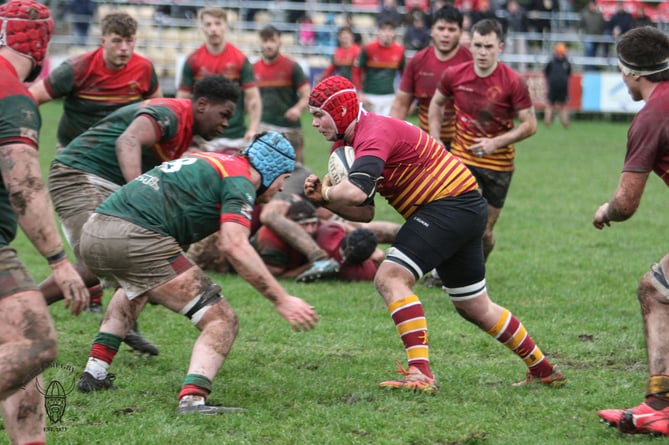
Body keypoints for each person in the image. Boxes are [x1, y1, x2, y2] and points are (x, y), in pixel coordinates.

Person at [304, 75, 564, 393]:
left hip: (447, 206)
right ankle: (543, 369)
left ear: (341, 110)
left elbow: (356, 193)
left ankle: (420, 373)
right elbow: (365, 211)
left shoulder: (373, 132)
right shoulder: (346, 145)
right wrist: (323, 199)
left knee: (390, 278)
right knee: (474, 305)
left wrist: (327, 197)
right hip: (464, 207)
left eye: (319, 114)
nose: (314, 122)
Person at [75, 132, 318, 415]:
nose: (280, 188)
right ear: (271, 169)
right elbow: (235, 244)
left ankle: (94, 373)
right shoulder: (240, 180)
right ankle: (193, 400)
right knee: (222, 319)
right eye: (283, 179)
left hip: (95, 230)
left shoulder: (213, 160)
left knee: (135, 287)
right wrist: (282, 299)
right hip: (134, 236)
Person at [45, 75, 240, 356]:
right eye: (224, 115)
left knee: (126, 253)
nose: (226, 123)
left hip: (106, 183)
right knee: (98, 257)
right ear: (202, 104)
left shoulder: (185, 131)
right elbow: (128, 140)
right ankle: (19, 308)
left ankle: (120, 325)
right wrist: (137, 193)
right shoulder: (171, 112)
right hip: (80, 174)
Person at [30, 11, 162, 313]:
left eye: (129, 41)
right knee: (90, 233)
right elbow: (32, 97)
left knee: (113, 230)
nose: (124, 48)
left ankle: (107, 297)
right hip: (75, 160)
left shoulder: (144, 69)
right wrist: (24, 136)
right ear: (103, 41)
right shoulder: (76, 68)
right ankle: (88, 297)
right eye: (117, 41)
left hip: (116, 161)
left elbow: (156, 110)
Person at [0, 1, 88, 444]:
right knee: (38, 345)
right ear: (39, 44)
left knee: (20, 336)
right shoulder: (11, 94)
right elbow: (25, 186)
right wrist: (58, 260)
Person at [594, 26, 669, 436]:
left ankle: (659, 407)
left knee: (655, 292)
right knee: (656, 289)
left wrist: (605, 210)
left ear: (631, 72)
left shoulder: (651, 118)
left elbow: (626, 204)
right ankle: (658, 405)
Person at [428, 19, 537, 261]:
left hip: (499, 165)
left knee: (485, 232)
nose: (482, 52)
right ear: (470, 46)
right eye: (478, 45)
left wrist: (495, 143)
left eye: (488, 46)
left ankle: (475, 272)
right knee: (464, 217)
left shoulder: (513, 81)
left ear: (500, 47)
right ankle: (446, 271)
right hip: (462, 157)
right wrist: (435, 138)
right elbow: (436, 104)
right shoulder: (454, 75)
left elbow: (530, 125)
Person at [177, 7, 261, 153]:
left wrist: (253, 129)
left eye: (217, 23)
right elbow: (182, 98)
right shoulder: (193, 60)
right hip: (201, 137)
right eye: (208, 24)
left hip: (234, 136)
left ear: (225, 26)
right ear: (202, 27)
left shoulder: (240, 59)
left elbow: (253, 98)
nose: (213, 29)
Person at [390, 5, 472, 148]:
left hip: (464, 145)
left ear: (461, 32)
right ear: (432, 31)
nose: (445, 34)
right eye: (441, 29)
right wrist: (388, 137)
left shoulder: (471, 63)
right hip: (428, 143)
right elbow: (401, 105)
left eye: (451, 29)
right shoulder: (417, 62)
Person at [252, 199, 382, 280]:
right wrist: (310, 267)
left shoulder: (323, 228)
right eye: (304, 225)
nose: (310, 230)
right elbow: (279, 275)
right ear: (289, 222)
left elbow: (346, 226)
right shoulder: (271, 240)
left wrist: (372, 248)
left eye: (313, 224)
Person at [253, 25, 311, 164]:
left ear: (279, 42)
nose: (268, 45)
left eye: (272, 40)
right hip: (264, 127)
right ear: (260, 43)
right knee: (265, 170)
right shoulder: (253, 69)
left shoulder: (292, 67)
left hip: (290, 129)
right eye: (265, 41)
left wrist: (297, 108)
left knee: (295, 170)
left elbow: (307, 94)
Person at [352, 18, 406, 117]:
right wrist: (359, 93)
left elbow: (405, 75)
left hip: (390, 97)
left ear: (394, 33)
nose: (387, 33)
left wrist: (403, 95)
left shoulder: (400, 50)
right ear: (378, 32)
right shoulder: (368, 48)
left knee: (388, 129)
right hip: (370, 97)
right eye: (384, 30)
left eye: (390, 30)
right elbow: (356, 71)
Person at [543, 42, 572, 129]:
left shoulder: (562, 62)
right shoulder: (564, 63)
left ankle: (564, 124)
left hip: (561, 87)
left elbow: (546, 72)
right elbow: (569, 73)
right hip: (556, 86)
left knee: (559, 105)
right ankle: (549, 123)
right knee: (552, 105)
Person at [579, 0, 606, 71]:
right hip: (588, 37)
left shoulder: (599, 14)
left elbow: (603, 25)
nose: (591, 6)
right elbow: (580, 25)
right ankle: (588, 69)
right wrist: (581, 33)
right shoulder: (585, 14)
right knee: (589, 52)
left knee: (594, 53)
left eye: (592, 5)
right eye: (590, 5)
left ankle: (592, 68)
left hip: (597, 37)